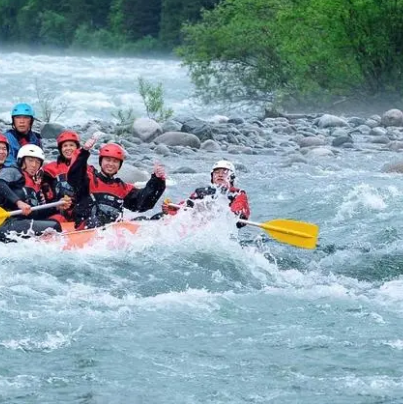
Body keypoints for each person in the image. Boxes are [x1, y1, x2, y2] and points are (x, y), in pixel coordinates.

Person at [67, 137, 167, 230]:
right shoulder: (89, 180)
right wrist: (84, 151)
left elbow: (142, 203)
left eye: (115, 161)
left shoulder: (122, 188)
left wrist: (157, 181)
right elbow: (74, 175)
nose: (111, 164)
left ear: (119, 165)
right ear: (101, 162)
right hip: (86, 229)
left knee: (149, 219)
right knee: (96, 221)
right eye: (107, 160)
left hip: (112, 232)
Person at [0, 144, 71, 240]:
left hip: (18, 224)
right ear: (22, 161)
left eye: (37, 162)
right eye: (30, 160)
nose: (34, 165)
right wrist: (19, 202)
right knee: (53, 227)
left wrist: (57, 207)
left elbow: (36, 213)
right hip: (5, 223)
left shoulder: (34, 187)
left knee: (56, 219)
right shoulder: (13, 171)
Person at [162, 160, 250, 227]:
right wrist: (170, 209)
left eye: (225, 172)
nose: (220, 175)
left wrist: (233, 216)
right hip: (197, 227)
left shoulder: (237, 194)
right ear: (212, 177)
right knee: (158, 217)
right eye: (217, 172)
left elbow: (239, 213)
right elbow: (183, 208)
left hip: (219, 230)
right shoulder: (202, 192)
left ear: (231, 177)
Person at [42, 130, 80, 222]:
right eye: (65, 146)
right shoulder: (49, 169)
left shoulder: (87, 169)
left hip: (78, 212)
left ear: (77, 148)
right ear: (60, 149)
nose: (68, 148)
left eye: (71, 145)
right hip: (58, 212)